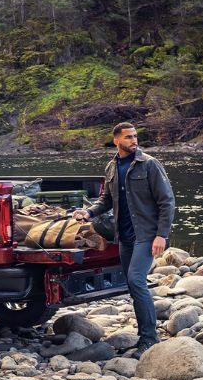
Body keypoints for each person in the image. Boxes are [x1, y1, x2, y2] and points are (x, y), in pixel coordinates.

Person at [73, 122, 175, 358]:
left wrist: (161, 235)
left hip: (146, 235)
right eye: (128, 137)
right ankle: (144, 334)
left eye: (135, 136)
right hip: (125, 236)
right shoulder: (111, 167)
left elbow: (166, 201)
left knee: (136, 280)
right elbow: (105, 200)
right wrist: (88, 213)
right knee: (132, 285)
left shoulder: (149, 164)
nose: (133, 140)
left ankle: (150, 339)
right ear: (116, 140)